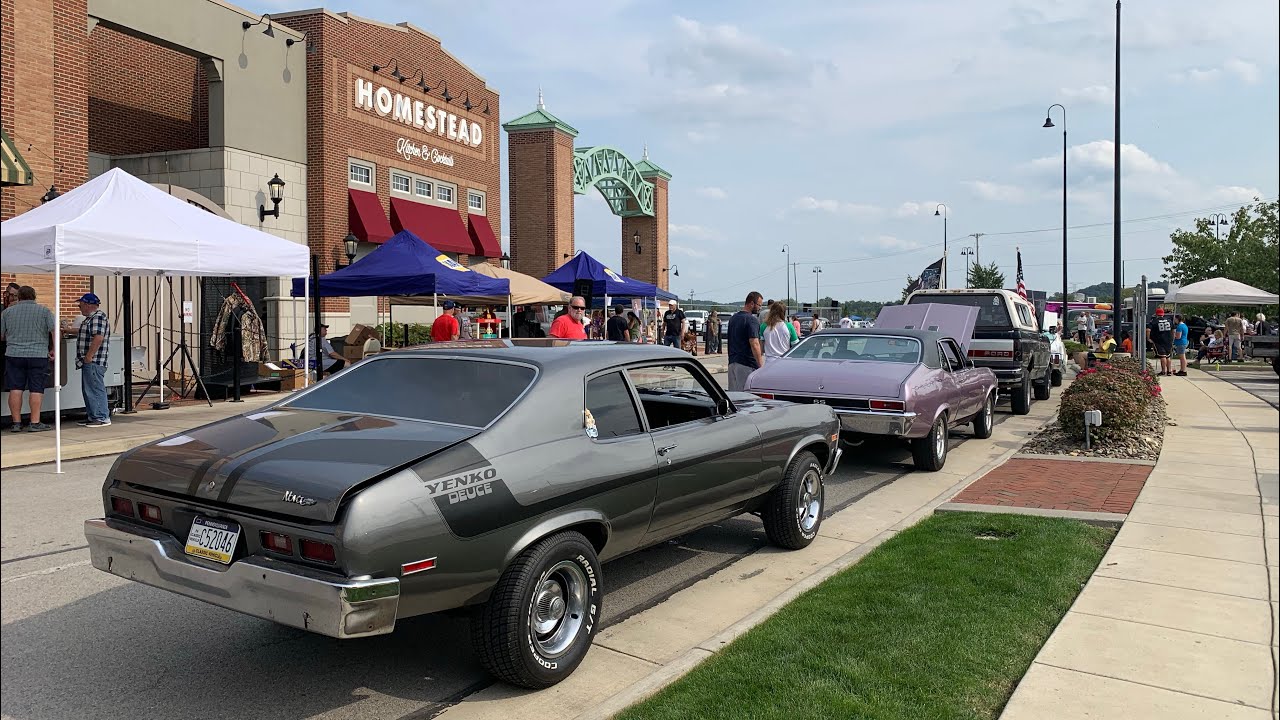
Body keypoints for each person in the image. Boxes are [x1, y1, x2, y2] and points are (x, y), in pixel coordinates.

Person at [1, 286, 57, 432]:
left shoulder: (7, 312)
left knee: (15, 389)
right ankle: (35, 422)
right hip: (38, 354)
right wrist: (54, 349)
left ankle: (16, 423)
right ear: (34, 296)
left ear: (18, 296)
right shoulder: (44, 311)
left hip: (14, 354)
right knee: (36, 389)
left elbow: (1, 335)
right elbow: (54, 330)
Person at [73, 293, 112, 427]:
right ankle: (93, 415)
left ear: (88, 305)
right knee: (89, 389)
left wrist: (89, 356)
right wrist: (67, 330)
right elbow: (85, 332)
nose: (80, 307)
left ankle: (101, 417)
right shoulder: (91, 319)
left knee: (94, 388)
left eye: (81, 304)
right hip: (90, 361)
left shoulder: (97, 317)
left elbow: (98, 337)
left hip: (94, 361)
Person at [727, 291, 765, 391]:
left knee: (734, 397)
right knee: (746, 399)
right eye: (759, 305)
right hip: (747, 364)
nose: (760, 308)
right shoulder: (751, 320)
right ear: (752, 303)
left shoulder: (733, 318)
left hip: (732, 363)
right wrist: (761, 367)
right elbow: (754, 344)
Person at [1147, 308, 1174, 376]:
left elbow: (1148, 330)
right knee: (1168, 356)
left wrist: (1148, 338)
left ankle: (1163, 371)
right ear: (1163, 314)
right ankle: (1169, 371)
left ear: (1156, 314)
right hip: (1168, 340)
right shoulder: (1169, 320)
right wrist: (1172, 338)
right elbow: (1173, 330)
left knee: (1162, 356)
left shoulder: (1154, 321)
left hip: (1158, 340)